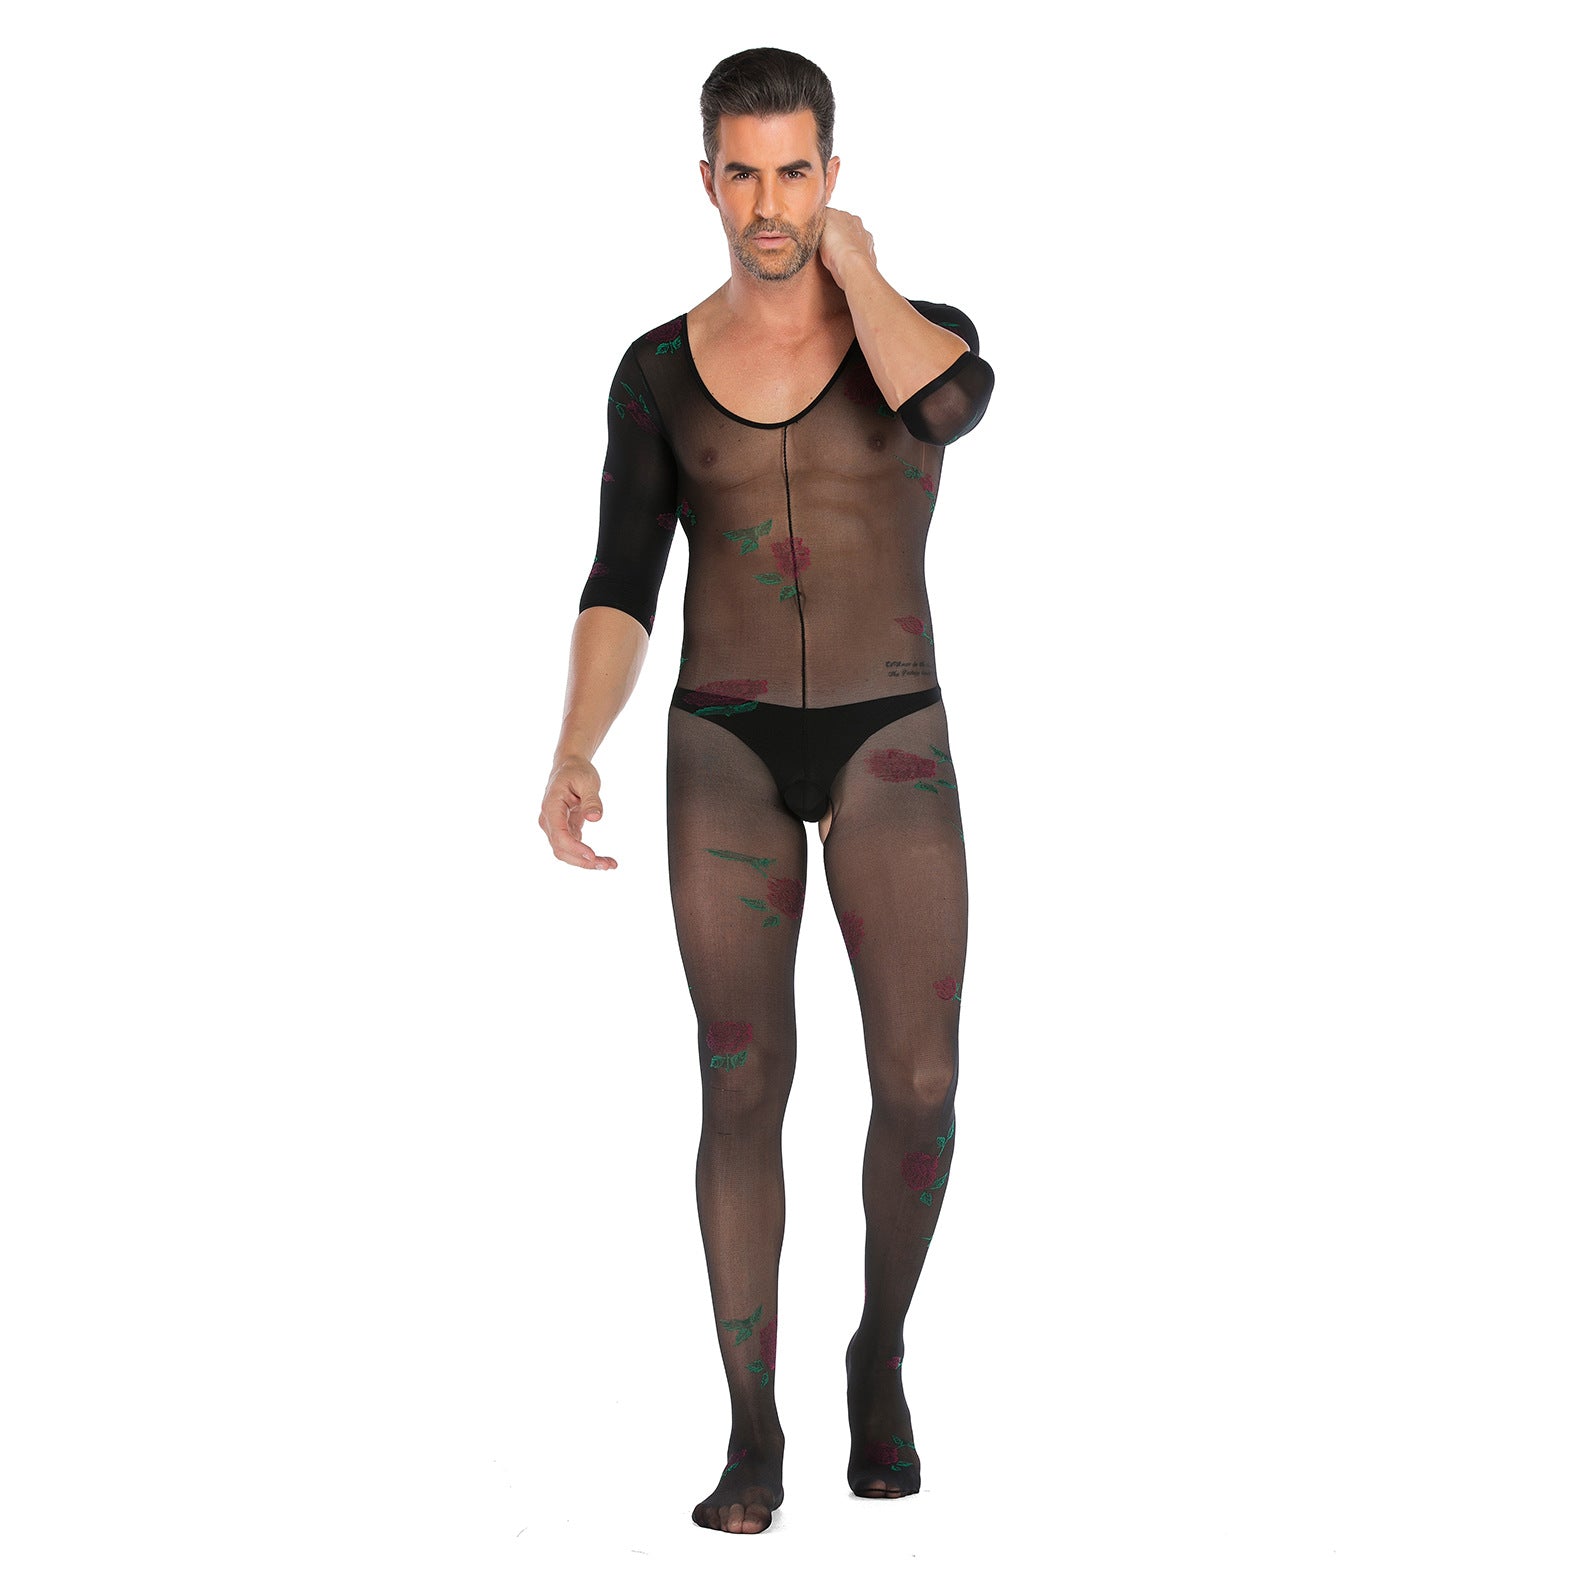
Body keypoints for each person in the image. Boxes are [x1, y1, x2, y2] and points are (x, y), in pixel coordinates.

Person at [540, 46, 994, 1534]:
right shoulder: (657, 372)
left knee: (919, 1083)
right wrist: (576, 742)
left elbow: (953, 408)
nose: (769, 204)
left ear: (832, 175)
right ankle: (752, 1430)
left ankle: (880, 1350)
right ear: (707, 181)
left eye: (795, 171)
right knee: (742, 1081)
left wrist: (858, 267)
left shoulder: (916, 336)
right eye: (743, 174)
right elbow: (622, 578)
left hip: (889, 733)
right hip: (724, 742)